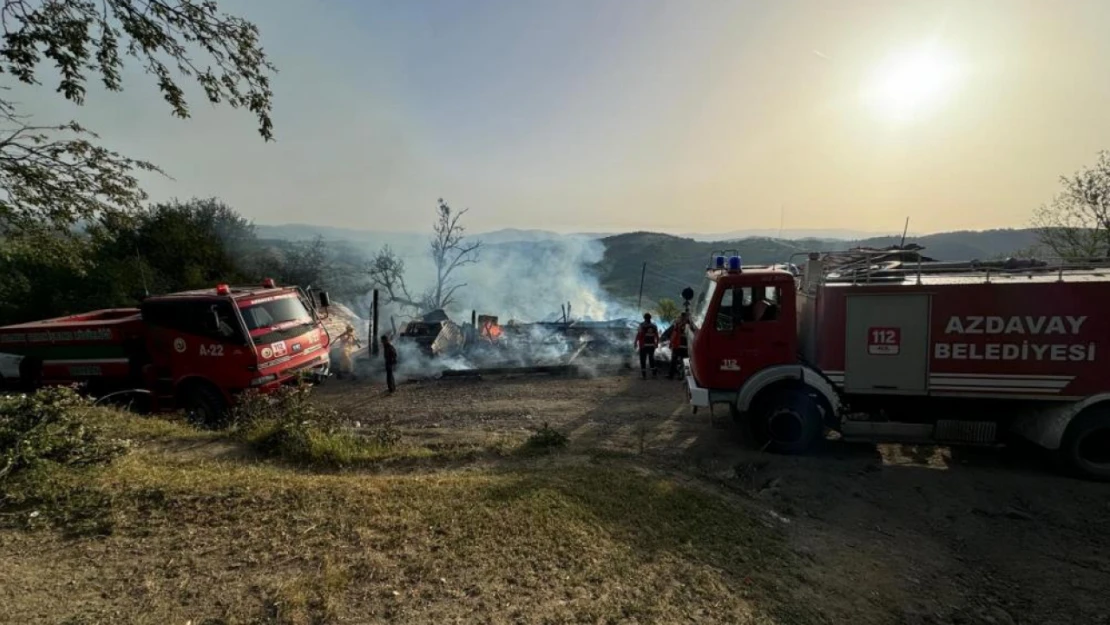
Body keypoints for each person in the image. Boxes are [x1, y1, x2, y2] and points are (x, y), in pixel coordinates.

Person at [667, 311, 697, 380]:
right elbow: (674, 335)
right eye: (683, 317)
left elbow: (675, 335)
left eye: (682, 317)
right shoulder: (681, 325)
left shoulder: (688, 325)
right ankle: (677, 376)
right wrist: (671, 343)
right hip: (680, 346)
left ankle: (684, 376)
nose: (682, 318)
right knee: (681, 362)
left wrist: (671, 343)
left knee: (683, 362)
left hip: (682, 347)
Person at [634, 312, 659, 380]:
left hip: (644, 346)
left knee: (643, 360)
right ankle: (654, 374)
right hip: (651, 346)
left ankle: (644, 376)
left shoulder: (642, 325)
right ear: (650, 318)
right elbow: (657, 336)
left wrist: (635, 342)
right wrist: (657, 343)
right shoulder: (654, 326)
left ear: (644, 318)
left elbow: (639, 335)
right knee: (651, 359)